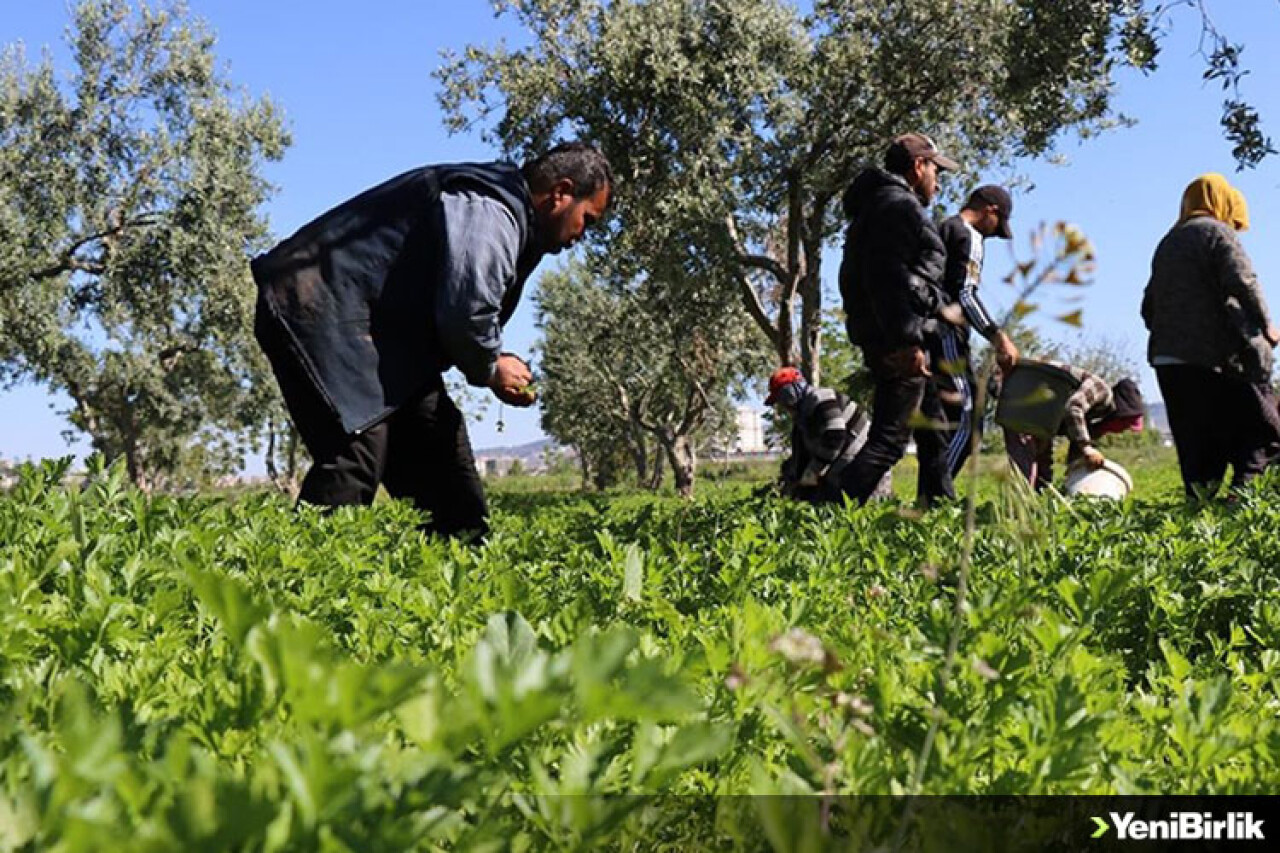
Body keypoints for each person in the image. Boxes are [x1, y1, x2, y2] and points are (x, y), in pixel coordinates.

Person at [252, 142, 613, 538]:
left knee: (440, 454)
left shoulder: (508, 211)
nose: (583, 235)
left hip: (384, 338)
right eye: (588, 219)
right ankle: (302, 582)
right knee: (357, 452)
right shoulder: (491, 210)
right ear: (561, 193)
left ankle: (465, 571)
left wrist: (490, 359)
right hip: (318, 308)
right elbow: (465, 312)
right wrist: (492, 368)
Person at [836, 132, 957, 506]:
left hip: (895, 332)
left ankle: (938, 506)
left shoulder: (881, 206)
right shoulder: (895, 207)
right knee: (889, 440)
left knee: (934, 428)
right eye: (936, 170)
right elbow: (887, 278)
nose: (938, 180)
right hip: (899, 338)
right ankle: (822, 513)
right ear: (919, 166)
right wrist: (908, 341)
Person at [1141, 173, 1280, 498]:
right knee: (1259, 435)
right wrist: (1266, 326)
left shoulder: (1169, 242)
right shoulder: (1216, 232)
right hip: (1213, 360)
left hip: (1169, 361)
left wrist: (1171, 332)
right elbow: (1243, 281)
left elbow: (1149, 304)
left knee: (1198, 447)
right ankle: (1242, 505)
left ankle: (1199, 510)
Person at [932, 185, 1021, 477]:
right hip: (946, 335)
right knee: (970, 421)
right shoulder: (969, 236)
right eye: (997, 227)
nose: (993, 235)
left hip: (926, 332)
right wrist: (999, 338)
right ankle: (936, 496)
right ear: (990, 210)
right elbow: (966, 294)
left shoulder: (942, 227)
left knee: (938, 425)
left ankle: (932, 493)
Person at [1002, 362, 1145, 491]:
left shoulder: (1094, 417)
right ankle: (1017, 514)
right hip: (1025, 397)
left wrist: (1076, 469)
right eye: (1125, 424)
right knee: (1025, 468)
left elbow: (1076, 441)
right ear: (1120, 413)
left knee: (1042, 470)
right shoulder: (1101, 390)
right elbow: (1074, 407)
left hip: (1041, 415)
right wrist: (1087, 448)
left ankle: (1038, 508)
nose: (1122, 430)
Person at [765, 366, 871, 503]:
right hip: (842, 456)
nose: (782, 406)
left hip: (859, 453)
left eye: (780, 399)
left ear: (790, 394)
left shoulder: (821, 398)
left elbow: (836, 435)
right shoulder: (802, 418)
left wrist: (813, 470)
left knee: (835, 495)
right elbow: (801, 456)